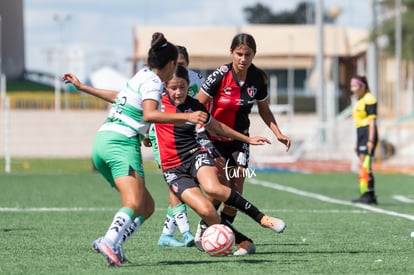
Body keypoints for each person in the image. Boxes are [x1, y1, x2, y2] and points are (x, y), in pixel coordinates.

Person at [62, 32, 208, 267]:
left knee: (147, 206)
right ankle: (109, 240)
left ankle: (116, 245)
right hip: (122, 143)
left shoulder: (142, 76)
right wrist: (187, 116)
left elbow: (118, 96)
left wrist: (83, 87)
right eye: (176, 67)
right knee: (133, 203)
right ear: (171, 64)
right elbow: (149, 114)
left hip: (103, 141)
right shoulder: (153, 82)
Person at [154, 65, 287, 255]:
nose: (178, 92)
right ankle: (243, 242)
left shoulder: (195, 107)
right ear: (165, 86)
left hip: (195, 155)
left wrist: (247, 139)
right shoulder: (156, 105)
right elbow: (121, 100)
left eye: (182, 87)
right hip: (172, 168)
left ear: (188, 85)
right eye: (173, 88)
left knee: (215, 188)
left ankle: (263, 219)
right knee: (207, 211)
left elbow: (218, 127)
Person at [195, 33, 291, 255]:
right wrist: (201, 127)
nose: (243, 58)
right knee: (220, 187)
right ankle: (204, 226)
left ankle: (224, 235)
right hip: (213, 138)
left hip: (240, 140)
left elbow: (264, 110)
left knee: (236, 189)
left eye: (247, 54)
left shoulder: (258, 79)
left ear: (253, 55)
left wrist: (278, 133)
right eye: (239, 54)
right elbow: (198, 105)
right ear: (231, 53)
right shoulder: (219, 75)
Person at [150, 45, 205, 247]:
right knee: (173, 182)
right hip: (163, 137)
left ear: (187, 65)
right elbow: (150, 108)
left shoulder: (197, 80)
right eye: (174, 64)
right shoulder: (159, 81)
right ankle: (186, 232)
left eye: (180, 65)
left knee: (186, 184)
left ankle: (166, 234)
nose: (176, 69)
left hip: (189, 137)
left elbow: (204, 104)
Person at [350, 76, 379, 204]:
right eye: (351, 86)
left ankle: (369, 195)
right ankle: (368, 194)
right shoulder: (360, 100)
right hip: (361, 132)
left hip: (368, 132)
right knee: (363, 164)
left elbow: (372, 122)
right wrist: (358, 141)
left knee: (366, 165)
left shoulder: (369, 100)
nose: (353, 89)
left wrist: (370, 141)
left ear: (363, 86)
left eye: (355, 86)